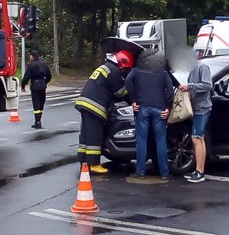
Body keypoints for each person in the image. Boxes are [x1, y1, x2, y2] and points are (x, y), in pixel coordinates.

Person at [75, 50, 134, 174]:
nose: (125, 71)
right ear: (122, 63)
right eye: (125, 69)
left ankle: (84, 162)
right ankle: (93, 164)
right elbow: (120, 92)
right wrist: (133, 99)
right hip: (95, 105)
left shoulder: (106, 67)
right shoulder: (113, 71)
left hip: (86, 103)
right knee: (95, 136)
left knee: (86, 135)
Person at [125, 52, 174, 181]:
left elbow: (128, 80)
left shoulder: (136, 71)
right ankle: (164, 173)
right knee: (160, 141)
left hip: (142, 108)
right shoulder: (163, 73)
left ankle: (140, 172)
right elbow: (170, 90)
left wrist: (133, 99)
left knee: (141, 141)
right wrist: (168, 107)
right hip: (159, 109)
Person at [180, 53, 213, 183]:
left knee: (196, 139)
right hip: (197, 108)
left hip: (202, 108)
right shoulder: (192, 69)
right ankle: (199, 170)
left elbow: (207, 85)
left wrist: (190, 87)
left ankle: (200, 172)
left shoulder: (202, 67)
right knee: (200, 139)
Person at [20, 49, 52, 128]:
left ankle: (37, 121)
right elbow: (49, 75)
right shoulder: (44, 64)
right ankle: (39, 119)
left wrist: (23, 86)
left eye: (30, 55)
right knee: (41, 103)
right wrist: (45, 82)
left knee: (36, 104)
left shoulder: (31, 65)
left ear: (32, 56)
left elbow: (26, 77)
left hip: (35, 85)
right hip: (43, 85)